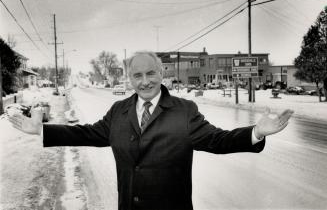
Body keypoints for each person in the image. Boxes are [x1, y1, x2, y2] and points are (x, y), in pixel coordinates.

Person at [9, 51, 293, 210]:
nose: (145, 82)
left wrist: (257, 132)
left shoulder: (184, 111)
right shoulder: (119, 111)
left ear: (161, 73)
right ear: (129, 78)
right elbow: (87, 133)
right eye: (137, 75)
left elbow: (217, 140)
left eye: (151, 73)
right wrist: (43, 131)